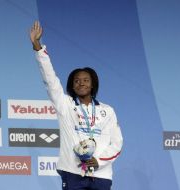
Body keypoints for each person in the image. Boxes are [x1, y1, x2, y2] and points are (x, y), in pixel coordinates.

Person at [30, 21, 123, 190]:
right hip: (73, 172)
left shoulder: (107, 111)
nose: (81, 84)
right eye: (77, 81)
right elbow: (50, 80)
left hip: (101, 175)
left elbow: (117, 143)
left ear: (92, 84)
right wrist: (38, 47)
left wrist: (99, 161)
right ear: (72, 86)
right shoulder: (65, 104)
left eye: (86, 80)